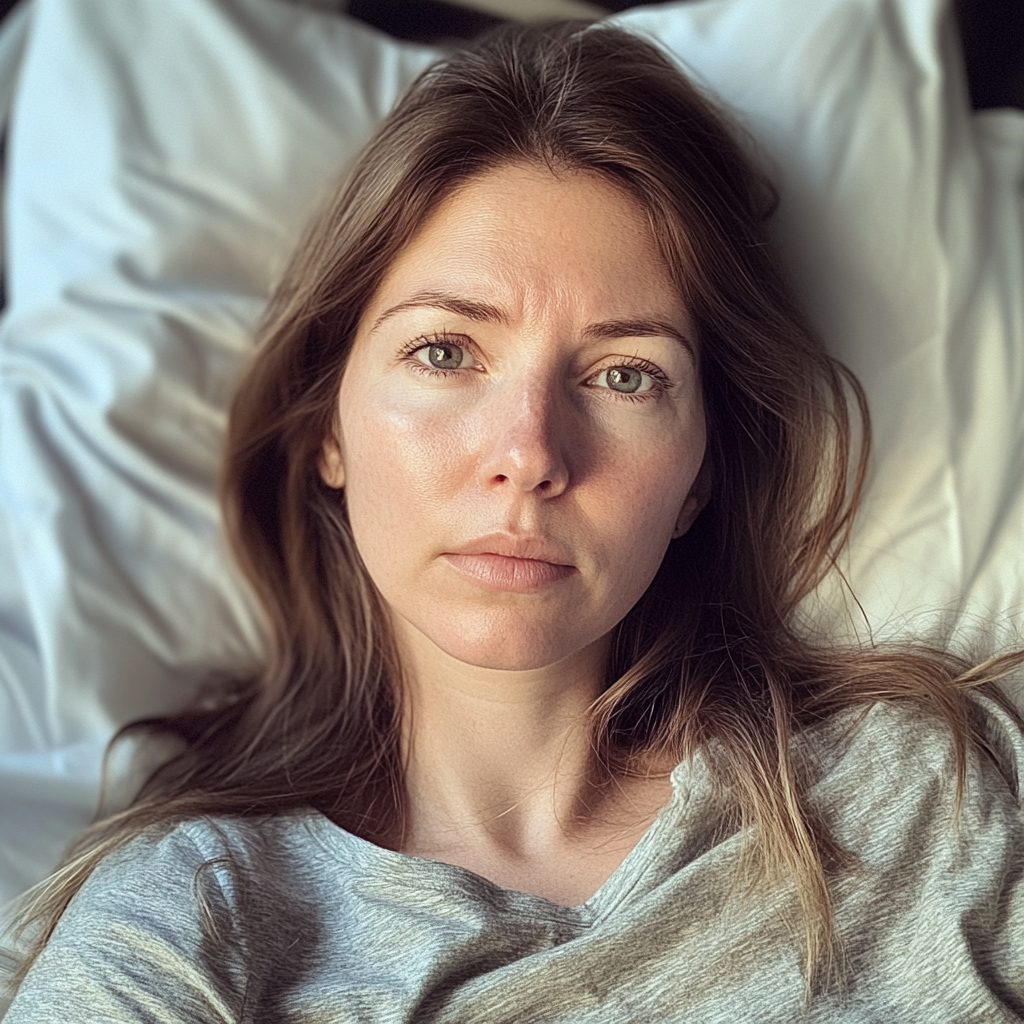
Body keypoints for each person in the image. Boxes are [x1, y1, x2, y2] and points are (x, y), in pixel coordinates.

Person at [4, 18, 1024, 1023]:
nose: (529, 453)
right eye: (446, 352)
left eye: (625, 375)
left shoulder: (926, 795)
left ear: (701, 477)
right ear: (329, 429)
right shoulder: (185, 922)